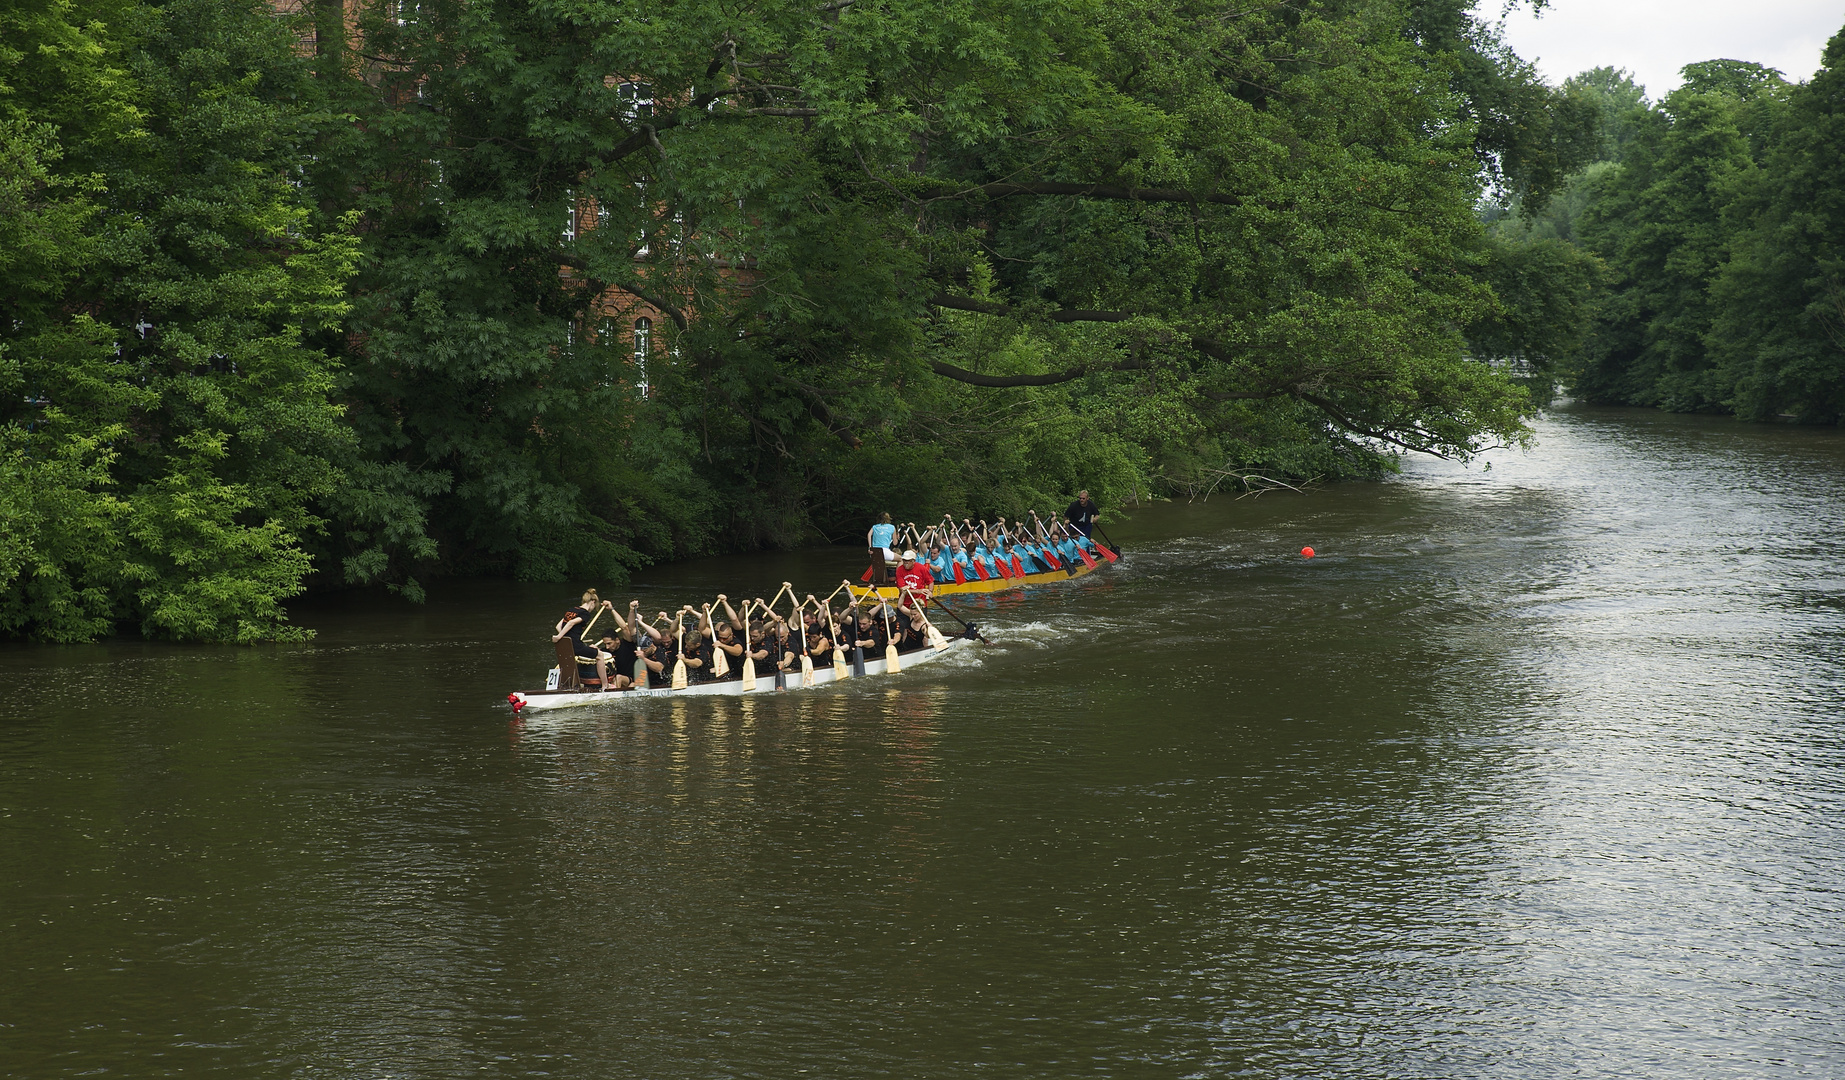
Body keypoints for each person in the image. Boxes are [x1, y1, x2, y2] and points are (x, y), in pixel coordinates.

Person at [553, 589, 614, 689]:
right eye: (595, 606)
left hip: (566, 645)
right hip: (576, 646)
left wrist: (564, 638)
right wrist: (559, 637)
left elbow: (558, 626)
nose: (593, 608)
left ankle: (571, 685)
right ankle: (605, 685)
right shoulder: (585, 613)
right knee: (599, 655)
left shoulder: (571, 610)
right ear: (593, 602)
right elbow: (571, 623)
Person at [867, 513, 897, 584]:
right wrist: (896, 537)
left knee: (879, 564)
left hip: (874, 551)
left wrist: (870, 548)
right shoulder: (892, 527)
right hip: (885, 551)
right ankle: (898, 579)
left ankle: (878, 580)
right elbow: (895, 543)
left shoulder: (874, 527)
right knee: (901, 559)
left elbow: (868, 534)